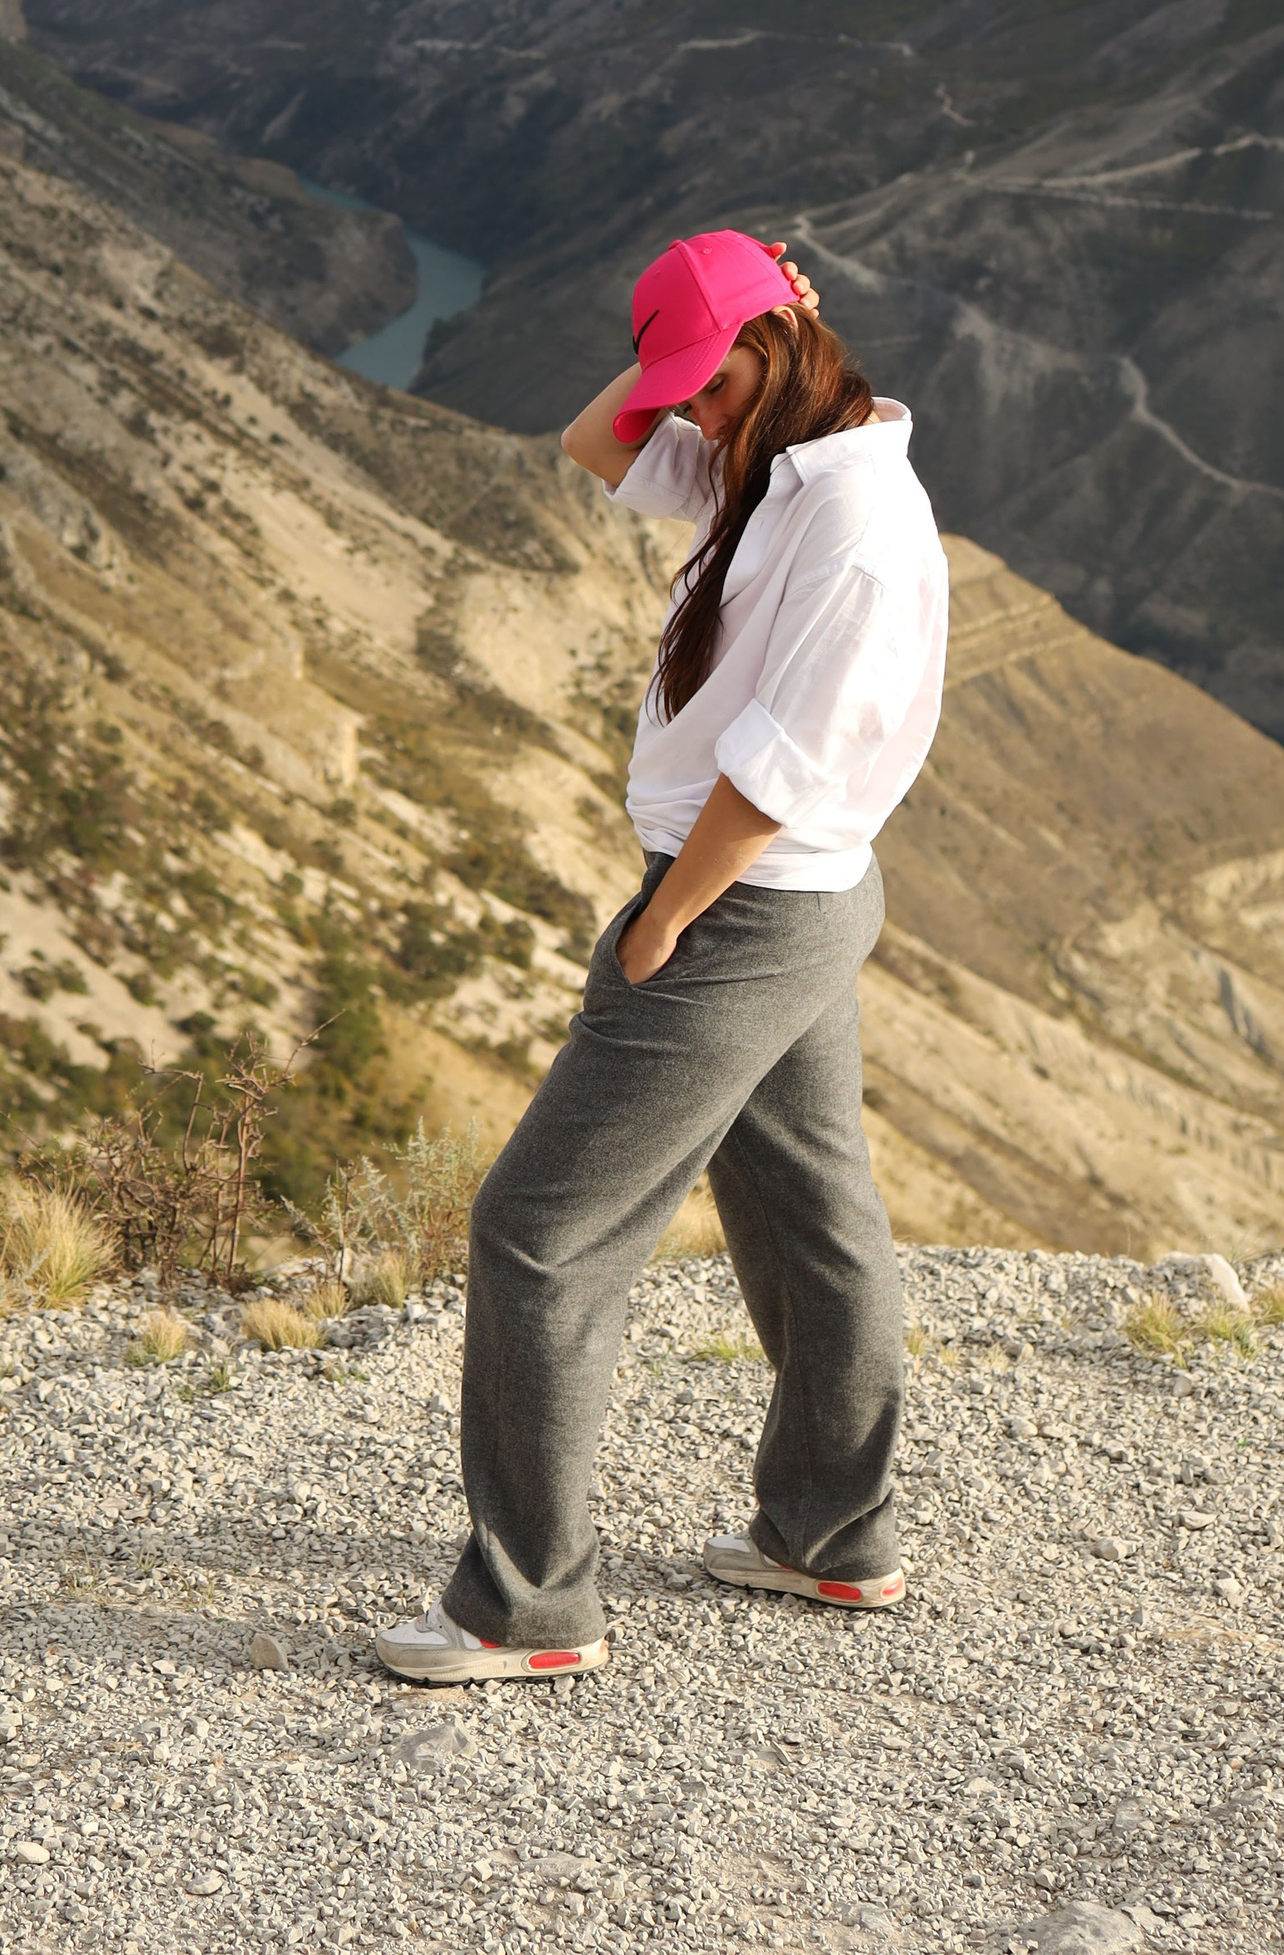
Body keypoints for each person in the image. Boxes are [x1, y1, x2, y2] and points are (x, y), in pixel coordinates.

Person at [377, 226, 951, 1683]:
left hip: (742, 901)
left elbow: (779, 763)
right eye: (685, 385)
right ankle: (831, 1534)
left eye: (709, 383)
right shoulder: (777, 461)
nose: (687, 412)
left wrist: (667, 919)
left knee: (538, 1231)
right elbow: (591, 437)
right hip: (793, 900)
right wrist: (707, 332)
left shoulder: (855, 522)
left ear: (786, 348)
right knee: (810, 1212)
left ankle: (527, 1605)